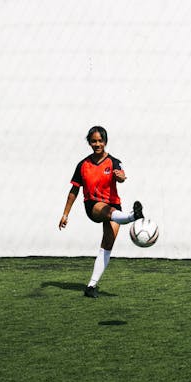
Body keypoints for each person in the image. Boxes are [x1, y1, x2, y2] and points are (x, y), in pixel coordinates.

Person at [58, 126, 144, 298]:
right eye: (94, 141)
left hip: (114, 207)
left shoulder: (113, 161)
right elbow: (73, 191)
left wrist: (121, 177)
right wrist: (65, 214)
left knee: (107, 246)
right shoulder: (82, 165)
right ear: (89, 142)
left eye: (100, 140)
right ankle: (132, 216)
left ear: (105, 142)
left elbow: (121, 176)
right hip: (93, 206)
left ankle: (91, 286)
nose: (97, 144)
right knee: (105, 209)